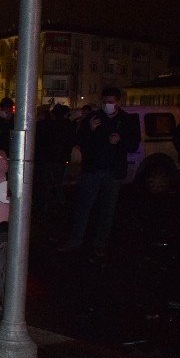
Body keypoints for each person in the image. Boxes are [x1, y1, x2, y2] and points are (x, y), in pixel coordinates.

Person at [58, 87, 141, 258]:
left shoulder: (127, 120)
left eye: (111, 102)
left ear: (118, 102)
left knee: (108, 209)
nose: (107, 105)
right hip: (93, 169)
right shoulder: (93, 118)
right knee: (83, 207)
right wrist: (90, 129)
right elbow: (80, 141)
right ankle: (75, 241)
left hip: (113, 171)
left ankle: (100, 245)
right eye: (105, 101)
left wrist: (120, 141)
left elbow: (134, 145)